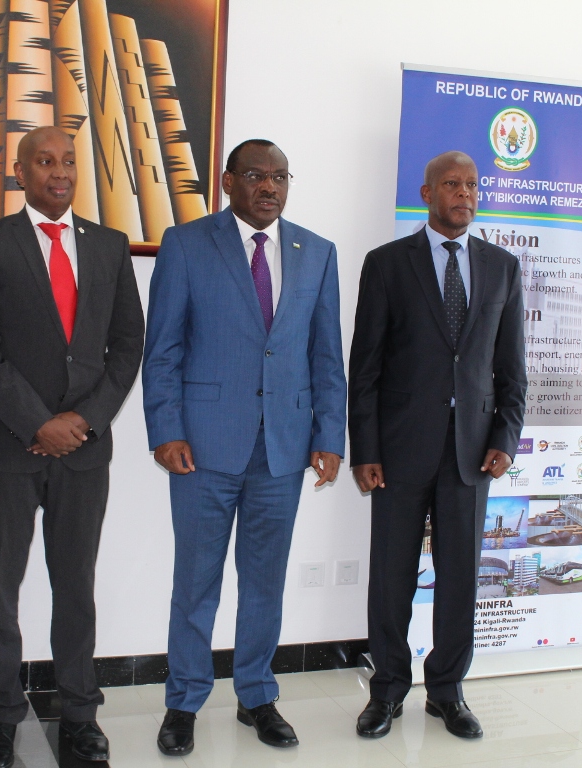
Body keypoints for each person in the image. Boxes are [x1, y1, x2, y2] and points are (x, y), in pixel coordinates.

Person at [142, 139, 346, 756]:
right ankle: (184, 701)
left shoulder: (317, 252)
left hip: (282, 448)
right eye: (256, 175)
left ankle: (256, 694)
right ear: (228, 181)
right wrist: (165, 430)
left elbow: (326, 354)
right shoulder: (186, 244)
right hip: (202, 447)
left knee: (265, 582)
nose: (269, 187)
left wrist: (329, 435)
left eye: (280, 176)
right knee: (196, 581)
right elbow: (163, 349)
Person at [0, 126, 144, 767]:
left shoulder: (110, 246)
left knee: (76, 587)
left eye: (68, 161)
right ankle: (0, 717)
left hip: (84, 451)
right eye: (44, 161)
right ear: (20, 172)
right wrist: (38, 423)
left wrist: (83, 421)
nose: (59, 172)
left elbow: (128, 346)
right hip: (5, 449)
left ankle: (81, 712)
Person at [347, 151, 527, 739]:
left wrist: (505, 438)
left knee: (460, 578)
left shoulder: (502, 267)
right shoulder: (387, 264)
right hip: (399, 450)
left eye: (472, 184)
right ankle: (387, 691)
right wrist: (365, 448)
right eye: (452, 184)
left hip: (471, 453)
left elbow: (512, 370)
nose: (464, 193)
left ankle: (447, 691)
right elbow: (365, 367)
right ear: (427, 193)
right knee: (391, 577)